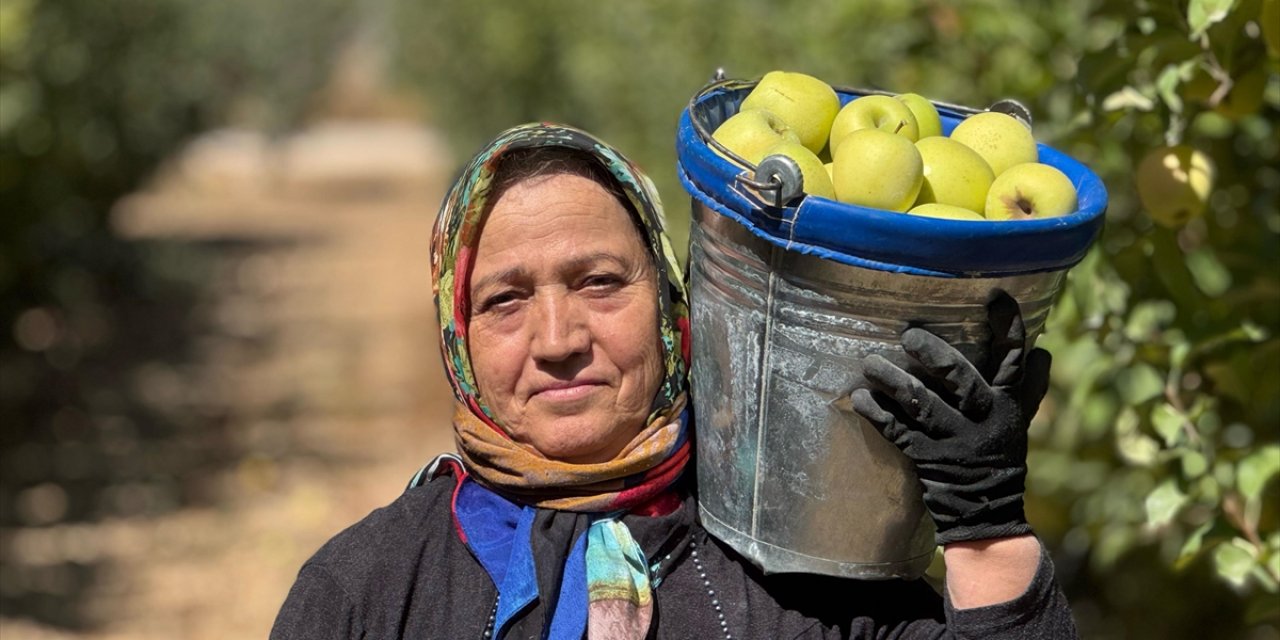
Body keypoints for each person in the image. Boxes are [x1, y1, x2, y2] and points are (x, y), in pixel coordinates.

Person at [270, 122, 1077, 639]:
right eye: (505, 300)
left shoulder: (806, 573)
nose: (557, 341)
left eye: (599, 283)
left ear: (671, 305)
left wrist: (986, 531)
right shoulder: (369, 591)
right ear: (458, 340)